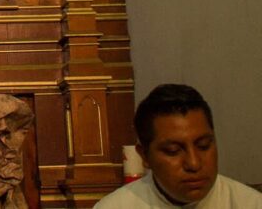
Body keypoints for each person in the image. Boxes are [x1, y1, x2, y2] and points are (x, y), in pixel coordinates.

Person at [95, 84, 262, 208]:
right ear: (145, 156)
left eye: (203, 146)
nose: (194, 163)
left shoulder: (249, 204)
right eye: (173, 151)